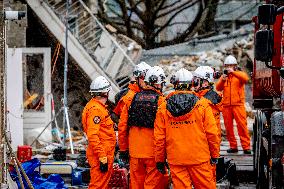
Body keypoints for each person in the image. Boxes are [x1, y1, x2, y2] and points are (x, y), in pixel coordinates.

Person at [155, 68, 219, 189]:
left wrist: (160, 160)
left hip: (176, 159)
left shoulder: (163, 107)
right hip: (199, 158)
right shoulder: (202, 104)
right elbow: (212, 134)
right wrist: (214, 155)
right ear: (193, 83)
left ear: (174, 84)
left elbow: (159, 138)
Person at [118, 66, 166, 189]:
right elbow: (164, 131)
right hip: (153, 154)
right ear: (158, 84)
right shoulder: (161, 102)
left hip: (135, 153)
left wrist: (123, 150)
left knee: (136, 185)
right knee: (152, 185)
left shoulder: (131, 99)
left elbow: (122, 127)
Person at [82, 76, 116, 188]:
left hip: (103, 152)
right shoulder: (96, 110)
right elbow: (92, 135)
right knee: (98, 184)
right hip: (101, 154)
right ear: (105, 92)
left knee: (102, 183)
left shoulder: (96, 107)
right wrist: (102, 156)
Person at [216, 55, 251, 154]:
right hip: (226, 106)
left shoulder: (239, 74)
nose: (229, 67)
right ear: (225, 66)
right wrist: (222, 79)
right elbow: (218, 88)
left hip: (238, 105)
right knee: (228, 127)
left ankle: (246, 147)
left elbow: (245, 79)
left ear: (235, 66)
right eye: (227, 66)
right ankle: (233, 146)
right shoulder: (225, 77)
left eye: (231, 65)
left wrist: (233, 72)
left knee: (242, 126)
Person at [193, 66, 223, 181]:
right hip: (202, 146)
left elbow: (212, 133)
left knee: (208, 177)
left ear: (205, 82)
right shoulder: (212, 98)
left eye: (196, 81)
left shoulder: (208, 102)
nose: (193, 84)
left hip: (206, 146)